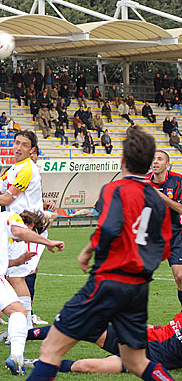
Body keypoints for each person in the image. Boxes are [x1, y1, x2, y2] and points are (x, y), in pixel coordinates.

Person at [26, 127, 175, 381]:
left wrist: (89, 251)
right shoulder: (157, 199)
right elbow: (164, 248)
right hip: (138, 288)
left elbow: (108, 227)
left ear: (123, 160)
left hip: (108, 282)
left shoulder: (115, 189)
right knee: (137, 361)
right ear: (149, 163)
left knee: (51, 349)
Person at [0, 210, 64, 375]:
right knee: (19, 312)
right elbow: (19, 231)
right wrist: (47, 242)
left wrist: (18, 261)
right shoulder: (13, 219)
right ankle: (16, 358)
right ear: (30, 225)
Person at [0, 130, 45, 334]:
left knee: (16, 277)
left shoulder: (27, 169)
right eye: (16, 143)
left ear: (32, 150)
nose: (18, 148)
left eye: (24, 145)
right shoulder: (13, 168)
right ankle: (19, 325)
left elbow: (7, 199)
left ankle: (25, 328)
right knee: (10, 276)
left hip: (28, 228)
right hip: (15, 229)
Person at [25, 311, 182, 373]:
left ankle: (32, 363)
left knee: (83, 366)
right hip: (141, 337)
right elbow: (166, 330)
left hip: (145, 357)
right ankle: (23, 335)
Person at [149, 150, 182, 309]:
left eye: (160, 159)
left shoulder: (178, 181)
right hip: (151, 235)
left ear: (167, 165)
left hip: (175, 233)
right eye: (153, 159)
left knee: (180, 276)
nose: (155, 162)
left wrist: (161, 197)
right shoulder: (143, 183)